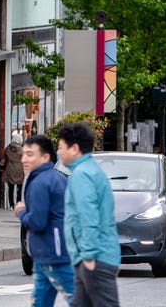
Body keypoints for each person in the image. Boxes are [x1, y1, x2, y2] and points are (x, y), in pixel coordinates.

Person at [57, 122, 120, 306]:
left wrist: (89, 256)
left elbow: (88, 217)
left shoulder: (82, 175)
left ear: (74, 148)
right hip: (91, 257)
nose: (59, 152)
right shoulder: (89, 170)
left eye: (61, 148)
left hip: (95, 259)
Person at [15, 135, 74, 306]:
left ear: (46, 157)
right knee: (40, 302)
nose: (24, 159)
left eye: (30, 154)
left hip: (53, 254)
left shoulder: (41, 182)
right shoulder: (57, 178)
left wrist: (21, 212)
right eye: (24, 154)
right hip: (48, 253)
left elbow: (37, 222)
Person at [0, 132, 25, 210]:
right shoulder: (22, 149)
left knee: (10, 188)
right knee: (19, 189)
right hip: (20, 170)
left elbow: (5, 157)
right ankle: (18, 204)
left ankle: (11, 205)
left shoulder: (8, 148)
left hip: (10, 169)